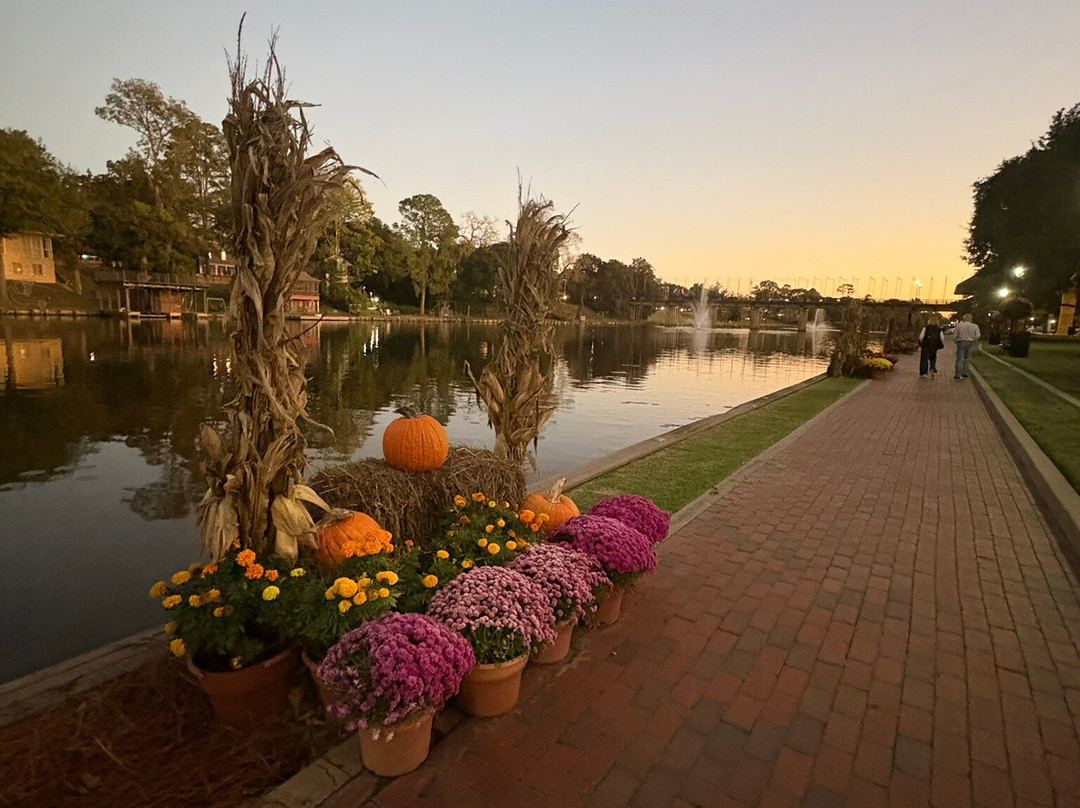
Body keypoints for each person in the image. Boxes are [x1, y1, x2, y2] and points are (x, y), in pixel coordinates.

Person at [954, 313, 981, 379]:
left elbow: (955, 336)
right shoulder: (975, 326)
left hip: (961, 341)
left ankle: (957, 374)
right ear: (971, 319)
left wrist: (956, 341)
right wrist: (975, 341)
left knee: (960, 358)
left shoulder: (959, 325)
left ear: (964, 319)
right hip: (970, 342)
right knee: (967, 358)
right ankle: (965, 373)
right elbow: (977, 336)